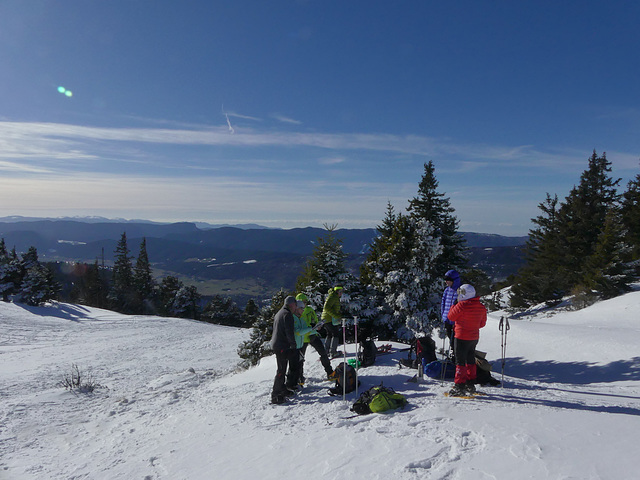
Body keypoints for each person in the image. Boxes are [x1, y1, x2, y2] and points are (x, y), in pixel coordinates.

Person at [446, 284, 487, 397]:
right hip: (474, 337)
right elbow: (482, 324)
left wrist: (453, 306)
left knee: (460, 361)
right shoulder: (481, 306)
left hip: (461, 337)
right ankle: (470, 383)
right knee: (470, 360)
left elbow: (451, 317)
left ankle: (460, 385)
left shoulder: (461, 305)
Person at [295, 293, 337, 383]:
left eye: (305, 301)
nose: (304, 303)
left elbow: (315, 320)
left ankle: (330, 372)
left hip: (312, 335)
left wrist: (318, 326)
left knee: (323, 353)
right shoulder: (296, 313)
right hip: (302, 338)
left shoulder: (309, 310)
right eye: (302, 302)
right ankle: (299, 377)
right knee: (300, 359)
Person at [270, 296, 300, 404]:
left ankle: (282, 389)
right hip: (282, 346)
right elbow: (289, 332)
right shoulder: (287, 315)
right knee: (281, 370)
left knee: (282, 367)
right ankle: (276, 394)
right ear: (292, 304)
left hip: (278, 344)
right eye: (295, 305)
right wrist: (293, 345)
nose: (296, 308)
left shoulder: (280, 312)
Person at [441, 269, 461, 357]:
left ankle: (456, 356)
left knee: (455, 341)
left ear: (454, 280)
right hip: (447, 319)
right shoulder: (447, 290)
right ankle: (454, 355)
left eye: (448, 280)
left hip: (455, 321)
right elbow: (443, 303)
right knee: (450, 338)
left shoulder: (460, 290)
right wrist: (443, 315)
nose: (446, 282)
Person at [321, 286, 343, 359]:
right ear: (336, 291)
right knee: (335, 334)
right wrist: (336, 315)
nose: (341, 293)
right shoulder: (333, 297)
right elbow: (326, 307)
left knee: (330, 334)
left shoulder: (333, 296)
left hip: (326, 319)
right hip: (329, 319)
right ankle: (333, 352)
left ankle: (326, 352)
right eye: (340, 291)